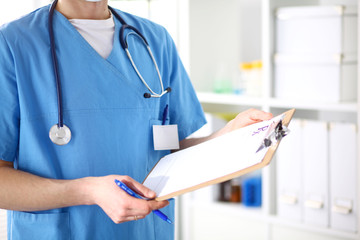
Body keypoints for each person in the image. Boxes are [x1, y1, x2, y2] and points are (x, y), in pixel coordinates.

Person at [0, 0, 273, 239]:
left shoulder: (154, 41)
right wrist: (89, 191)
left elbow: (166, 153)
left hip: (144, 231)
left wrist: (224, 139)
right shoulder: (13, 45)